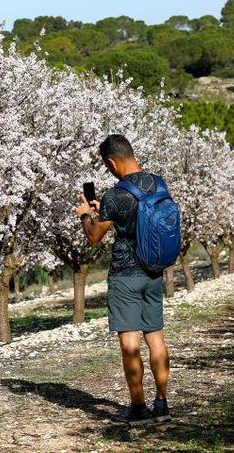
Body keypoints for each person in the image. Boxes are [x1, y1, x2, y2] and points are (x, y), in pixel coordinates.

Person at [75, 134, 172, 426]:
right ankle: (163, 403)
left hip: (125, 276)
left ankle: (139, 407)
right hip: (154, 272)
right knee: (156, 338)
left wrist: (85, 215)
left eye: (107, 167)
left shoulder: (116, 195)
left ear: (111, 161)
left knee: (130, 343)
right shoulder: (159, 183)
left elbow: (94, 236)